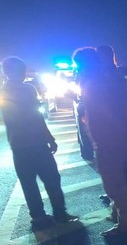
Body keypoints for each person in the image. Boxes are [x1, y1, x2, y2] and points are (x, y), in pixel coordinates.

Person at [0, 57, 78, 230]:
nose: (23, 73)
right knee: (52, 179)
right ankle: (60, 213)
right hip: (36, 143)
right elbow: (37, 117)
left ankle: (38, 217)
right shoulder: (27, 89)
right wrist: (49, 138)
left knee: (29, 183)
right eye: (22, 70)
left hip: (18, 146)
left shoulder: (3, 91)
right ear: (15, 71)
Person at [72, 46, 127, 237]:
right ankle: (119, 214)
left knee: (112, 182)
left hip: (109, 139)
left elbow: (106, 113)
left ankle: (126, 222)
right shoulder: (103, 80)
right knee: (115, 179)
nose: (77, 70)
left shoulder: (97, 84)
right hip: (113, 138)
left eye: (78, 65)